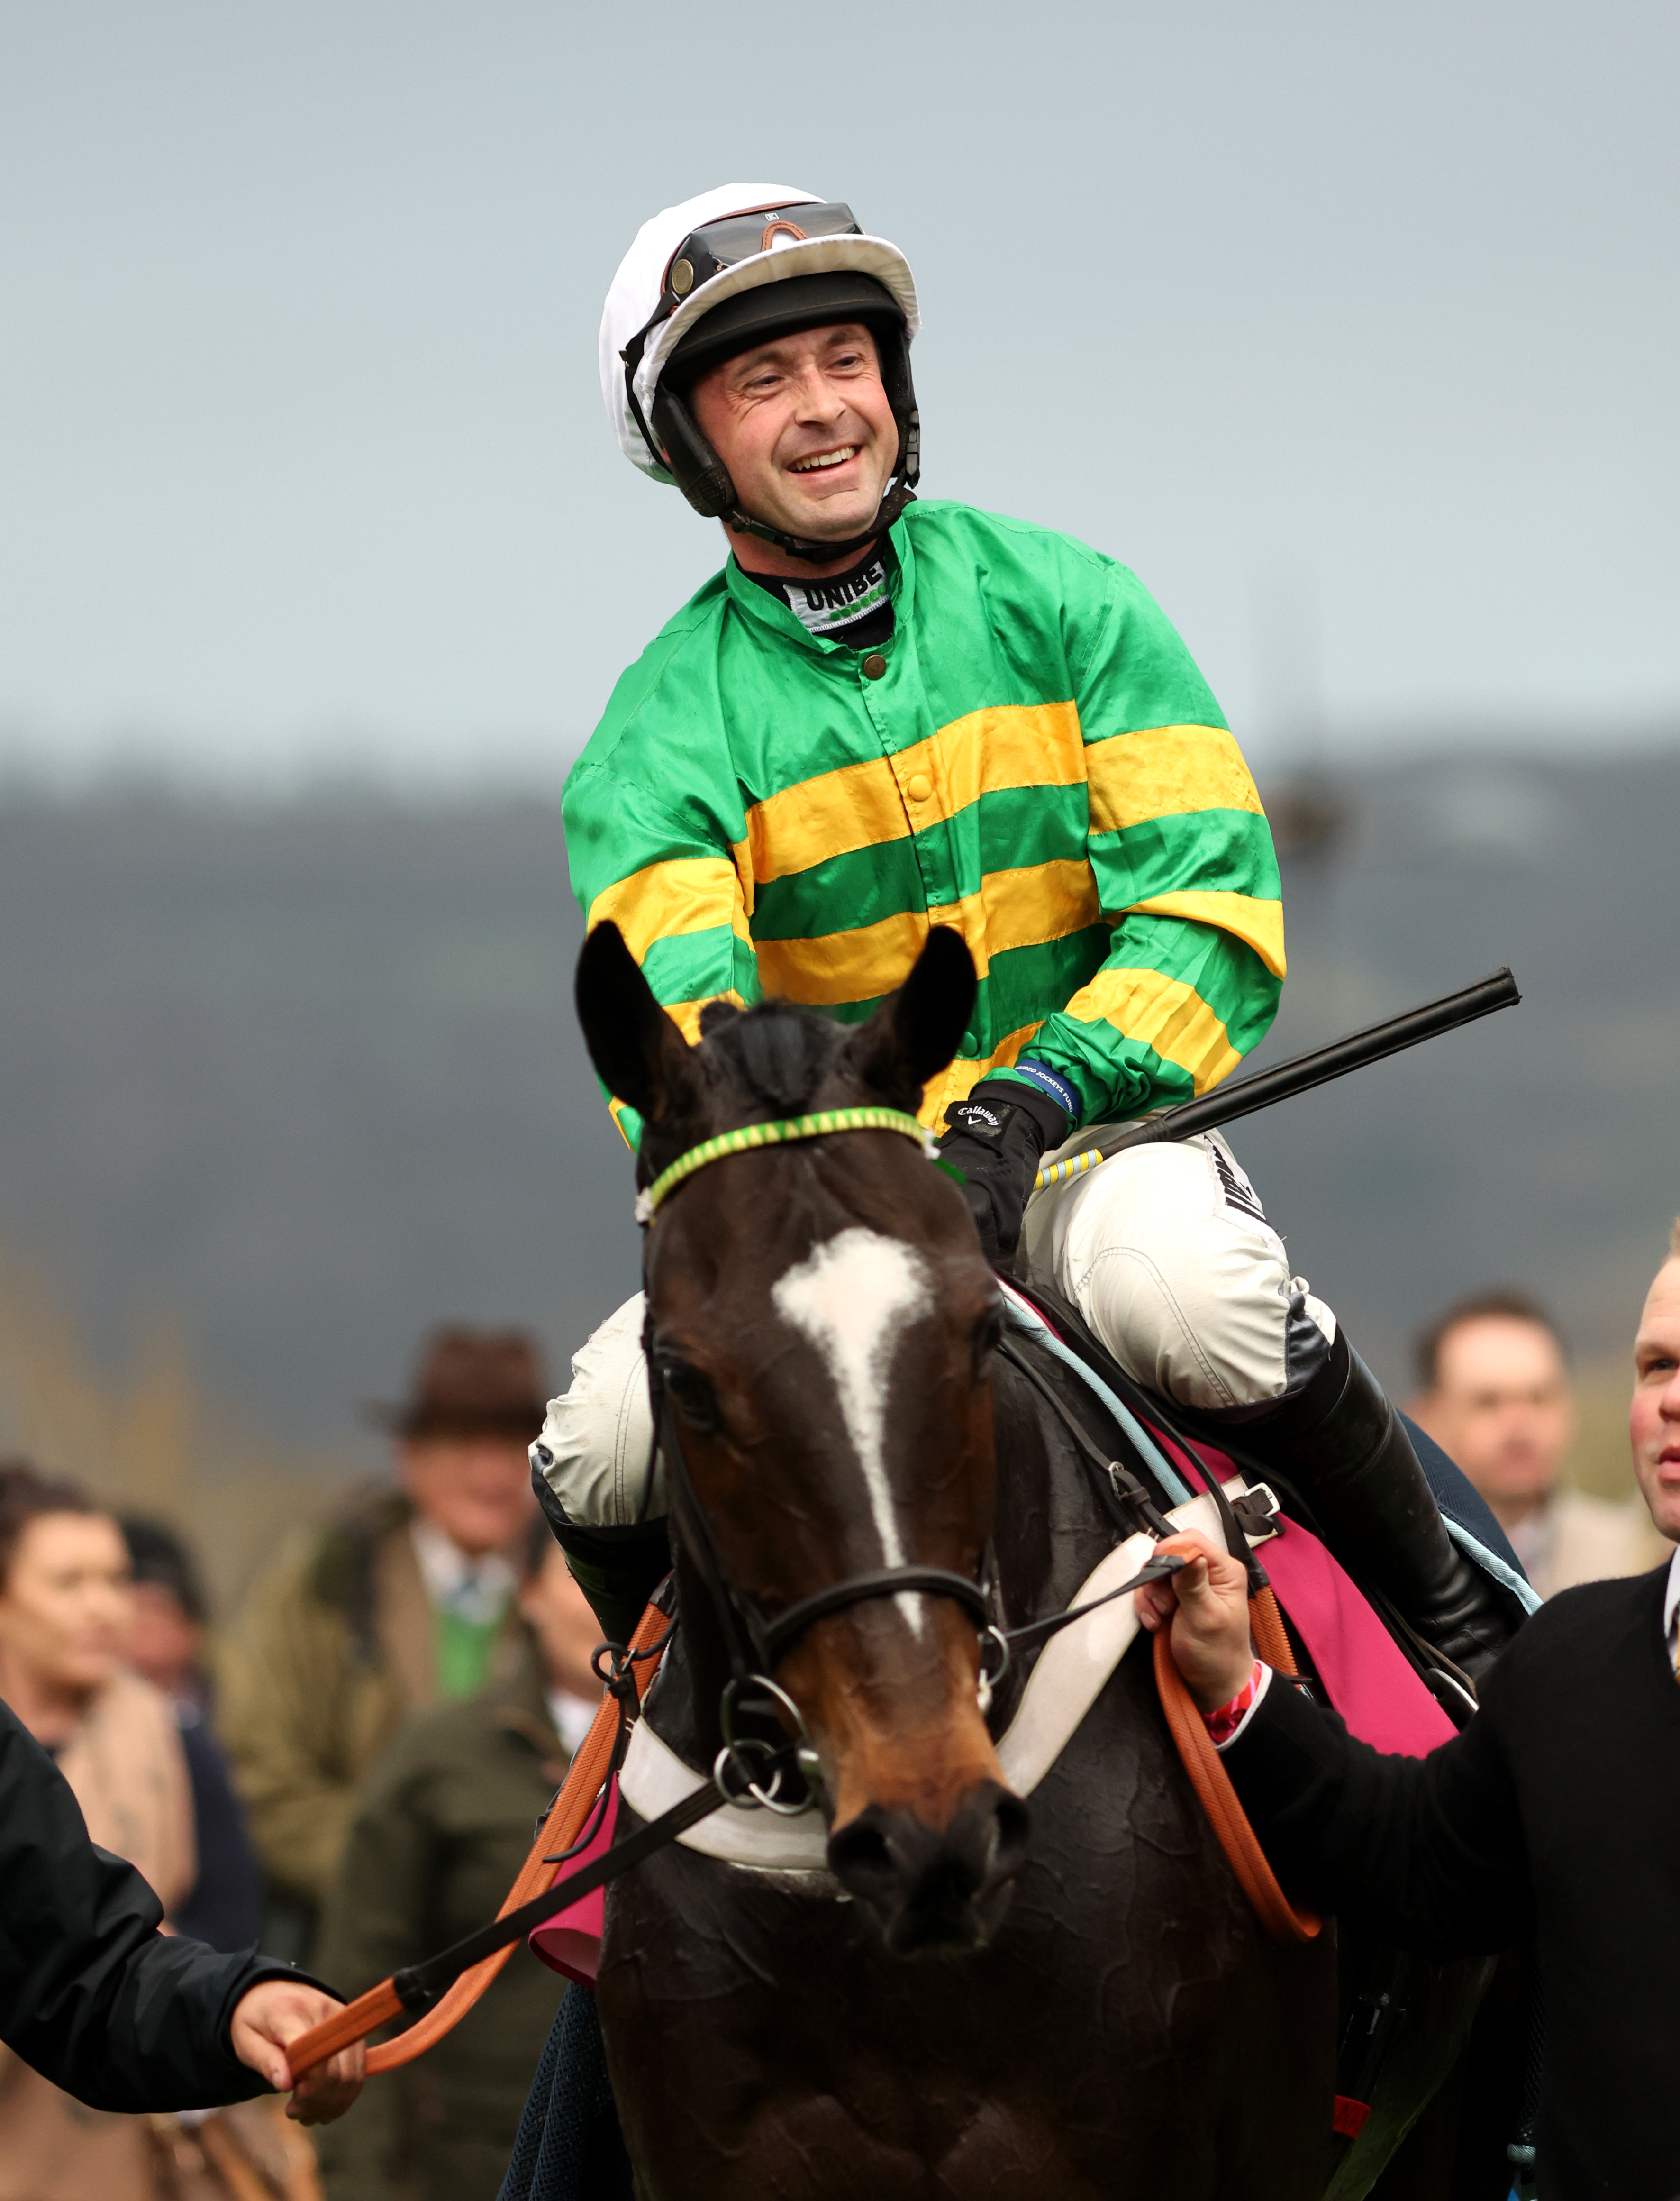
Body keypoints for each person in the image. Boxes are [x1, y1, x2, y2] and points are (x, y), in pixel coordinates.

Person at [536, 182, 1514, 1677]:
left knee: (1181, 1291)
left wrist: (1031, 1094)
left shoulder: (1071, 602)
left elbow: (1207, 903)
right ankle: (698, 1730)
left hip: (1079, 1163)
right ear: (687, 442)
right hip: (820, 1217)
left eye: (845, 362)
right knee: (600, 1443)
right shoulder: (650, 738)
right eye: (762, 379)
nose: (822, 411)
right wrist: (863, 1166)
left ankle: (1461, 1640)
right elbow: (683, 1041)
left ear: (895, 385)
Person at [1134, 1218, 1680, 2201]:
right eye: (1654, 1365)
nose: (1669, 1399)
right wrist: (1234, 1689)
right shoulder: (1570, 1653)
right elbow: (1416, 1860)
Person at [0, 1463, 360, 2198]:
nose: (103, 1606)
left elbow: (88, 1957)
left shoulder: (170, 1738)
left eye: (115, 1579)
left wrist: (235, 2001)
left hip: (111, 2133)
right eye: (69, 1582)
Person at [220, 1327, 545, 1941]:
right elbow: (258, 1767)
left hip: (535, 1947)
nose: (490, 1471)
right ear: (409, 1456)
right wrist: (397, 1869)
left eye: (513, 1445)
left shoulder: (585, 1596)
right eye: (461, 1443)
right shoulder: (327, 1582)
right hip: (352, 1937)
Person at [313, 1521, 605, 2201]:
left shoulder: (730, 1766)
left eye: (635, 1576)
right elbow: (357, 1984)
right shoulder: (438, 1753)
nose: (604, 1597)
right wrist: (359, 2184)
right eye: (579, 1573)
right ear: (528, 1594)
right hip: (470, 2172)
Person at [1407, 1288, 1664, 1597]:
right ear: (1427, 1416)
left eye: (1539, 1398)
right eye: (1487, 1402)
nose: (1519, 1424)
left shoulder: (1641, 1560)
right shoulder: (1392, 1562)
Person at [119, 1514, 263, 1952]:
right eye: (133, 1616)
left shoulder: (207, 1735)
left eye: (160, 1614)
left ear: (193, 1629)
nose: (146, 1641)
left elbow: (230, 1916)